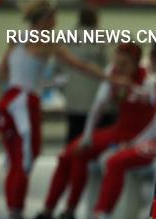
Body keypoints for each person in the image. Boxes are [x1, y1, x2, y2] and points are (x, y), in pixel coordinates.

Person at [0, 0, 114, 219]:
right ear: (45, 20)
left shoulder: (17, 38)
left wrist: (30, 80)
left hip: (10, 99)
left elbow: (3, 71)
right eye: (54, 19)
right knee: (25, 159)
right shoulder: (47, 42)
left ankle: (14, 217)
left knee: (17, 159)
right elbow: (80, 66)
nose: (56, 23)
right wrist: (112, 79)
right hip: (24, 101)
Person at [66, 40, 156, 219]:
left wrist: (136, 143)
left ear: (155, 60)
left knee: (115, 160)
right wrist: (137, 141)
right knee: (114, 158)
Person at [34, 43, 154, 219]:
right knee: (66, 155)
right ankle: (48, 210)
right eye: (118, 62)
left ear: (136, 63)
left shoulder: (148, 80)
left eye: (125, 64)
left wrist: (136, 143)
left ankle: (70, 212)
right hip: (119, 130)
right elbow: (98, 105)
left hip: (136, 135)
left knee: (80, 155)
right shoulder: (112, 73)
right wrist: (88, 136)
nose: (120, 67)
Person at [60, 6, 108, 144]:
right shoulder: (102, 37)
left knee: (74, 134)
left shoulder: (67, 36)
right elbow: (109, 66)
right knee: (95, 137)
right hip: (95, 95)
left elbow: (59, 66)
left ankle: (69, 163)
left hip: (73, 96)